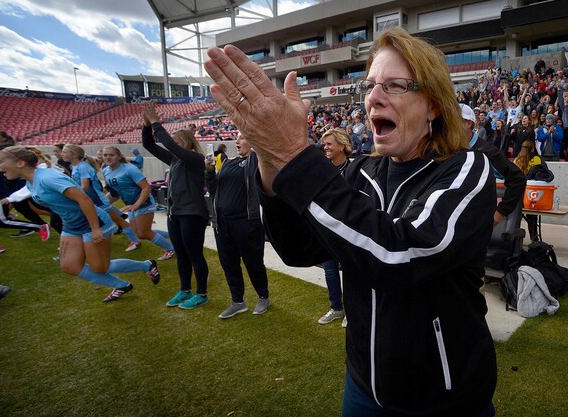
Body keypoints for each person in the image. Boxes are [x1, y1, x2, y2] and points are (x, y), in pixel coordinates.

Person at [205, 27, 497, 416]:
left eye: (394, 86)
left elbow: (397, 254)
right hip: (362, 387)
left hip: (444, 399)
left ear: (433, 106)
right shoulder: (360, 172)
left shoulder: (467, 170)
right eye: (371, 85)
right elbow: (296, 249)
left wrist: (295, 153)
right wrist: (271, 164)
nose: (373, 98)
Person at [0, 146, 160, 302]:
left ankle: (147, 265)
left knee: (101, 267)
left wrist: (95, 228)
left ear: (20, 163)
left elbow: (84, 199)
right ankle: (122, 285)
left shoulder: (48, 177)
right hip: (72, 226)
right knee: (70, 266)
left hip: (93, 223)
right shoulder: (31, 180)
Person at [142, 104, 211, 310]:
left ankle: (202, 293)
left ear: (187, 144)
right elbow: (150, 145)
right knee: (181, 253)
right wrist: (147, 125)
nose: (174, 144)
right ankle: (185, 290)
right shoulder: (175, 160)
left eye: (178, 141)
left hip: (193, 213)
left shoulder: (194, 159)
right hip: (176, 213)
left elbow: (170, 145)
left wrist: (156, 123)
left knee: (194, 254)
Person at [205, 131, 270, 319]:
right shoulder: (227, 162)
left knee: (253, 262)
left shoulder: (254, 161)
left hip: (246, 222)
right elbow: (213, 190)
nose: (237, 140)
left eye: (242, 137)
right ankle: (237, 301)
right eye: (237, 137)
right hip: (222, 224)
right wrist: (209, 172)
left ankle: (263, 295)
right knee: (229, 263)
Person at [62, 144, 143, 252]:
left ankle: (135, 241)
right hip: (92, 200)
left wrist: (74, 196)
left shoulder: (83, 167)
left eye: (65, 152)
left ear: (74, 154)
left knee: (118, 220)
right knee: (110, 220)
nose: (62, 154)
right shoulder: (76, 166)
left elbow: (85, 186)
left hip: (97, 200)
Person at [101, 146, 174, 255]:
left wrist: (137, 204)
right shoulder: (105, 170)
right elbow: (115, 193)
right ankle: (174, 235)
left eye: (111, 155)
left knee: (145, 232)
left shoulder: (130, 169)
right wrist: (104, 203)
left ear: (119, 156)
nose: (108, 157)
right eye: (105, 155)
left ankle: (172, 249)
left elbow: (146, 187)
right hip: (131, 205)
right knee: (139, 233)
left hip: (143, 203)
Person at [316, 128, 351, 325]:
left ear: (342, 145)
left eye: (329, 144)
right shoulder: (323, 170)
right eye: (324, 144)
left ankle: (350, 311)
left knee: (350, 272)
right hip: (327, 230)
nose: (325, 147)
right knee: (329, 271)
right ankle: (336, 308)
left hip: (348, 231)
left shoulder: (353, 169)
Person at [513, 140, 541, 241]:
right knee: (532, 219)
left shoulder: (516, 159)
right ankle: (534, 241)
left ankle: (514, 240)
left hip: (518, 194)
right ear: (533, 148)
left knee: (515, 219)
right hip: (530, 194)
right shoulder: (536, 159)